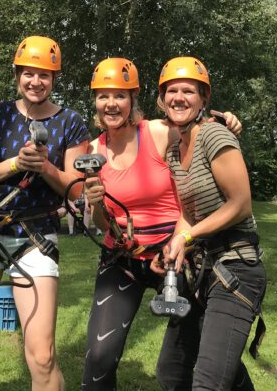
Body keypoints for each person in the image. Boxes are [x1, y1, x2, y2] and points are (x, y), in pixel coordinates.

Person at [80, 58, 243, 390]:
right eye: (103, 96)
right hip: (122, 258)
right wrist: (95, 203)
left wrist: (228, 122)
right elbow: (99, 224)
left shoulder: (155, 132)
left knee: (198, 353)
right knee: (98, 358)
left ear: (133, 99)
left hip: (175, 255)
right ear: (95, 101)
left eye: (120, 96)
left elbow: (197, 126)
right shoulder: (92, 150)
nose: (111, 104)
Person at [0, 35, 90, 391]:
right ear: (17, 75)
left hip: (36, 236)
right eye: (28, 73)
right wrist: (14, 164)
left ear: (55, 79)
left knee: (41, 353)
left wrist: (45, 168)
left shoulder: (71, 122)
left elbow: (78, 189)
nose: (35, 81)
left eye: (44, 75)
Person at [153, 56, 266, 391]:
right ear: (162, 99)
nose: (178, 97)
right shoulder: (175, 151)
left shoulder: (215, 136)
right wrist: (175, 247)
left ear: (203, 99)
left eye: (189, 91)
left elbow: (241, 204)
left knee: (208, 383)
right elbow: (189, 211)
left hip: (236, 269)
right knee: (172, 373)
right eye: (171, 90)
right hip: (202, 270)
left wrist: (188, 236)